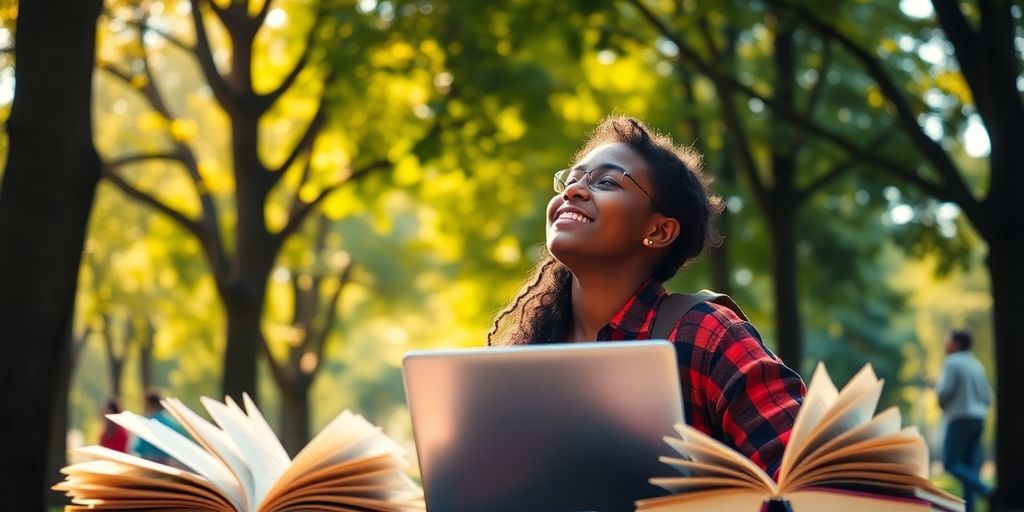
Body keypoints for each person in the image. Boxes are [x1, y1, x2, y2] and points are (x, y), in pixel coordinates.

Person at [488, 115, 805, 478]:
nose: (572, 191)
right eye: (570, 179)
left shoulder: (706, 334)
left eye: (606, 181)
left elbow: (809, 481)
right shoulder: (523, 361)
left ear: (658, 230)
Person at [936, 329, 993, 512]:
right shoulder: (977, 364)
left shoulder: (952, 362)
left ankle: (986, 490)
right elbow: (988, 396)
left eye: (948, 341)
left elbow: (944, 392)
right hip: (979, 418)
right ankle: (969, 509)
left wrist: (937, 391)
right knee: (969, 466)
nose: (946, 344)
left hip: (960, 418)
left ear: (957, 343)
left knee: (950, 463)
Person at [132, 389, 187, 465]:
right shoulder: (171, 422)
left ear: (148, 404)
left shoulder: (147, 423)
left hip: (151, 466)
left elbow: (138, 448)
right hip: (171, 465)